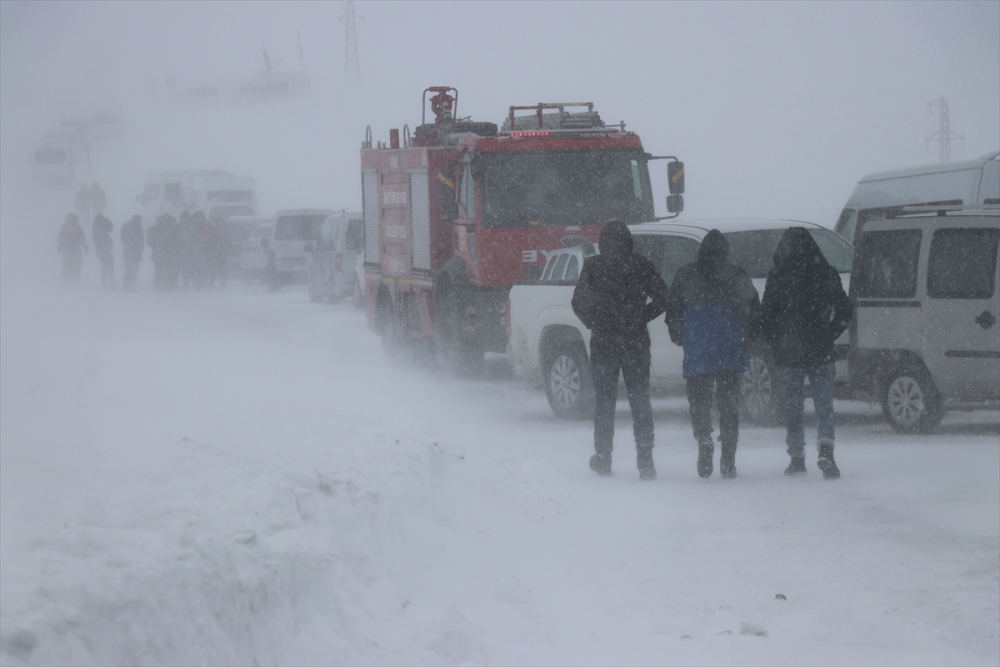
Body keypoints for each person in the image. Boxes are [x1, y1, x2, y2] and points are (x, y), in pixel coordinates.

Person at [571, 220, 669, 479]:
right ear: (629, 241)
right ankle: (645, 459)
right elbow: (664, 298)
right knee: (640, 400)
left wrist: (594, 321)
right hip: (636, 343)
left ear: (602, 243)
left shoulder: (593, 267)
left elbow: (577, 302)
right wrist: (641, 316)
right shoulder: (641, 265)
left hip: (604, 344)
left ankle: (603, 456)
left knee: (604, 402)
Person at [756, 227, 851, 479]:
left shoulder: (777, 276)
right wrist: (831, 332)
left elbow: (767, 317)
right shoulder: (826, 272)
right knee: (824, 406)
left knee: (793, 408)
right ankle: (826, 449)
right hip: (821, 348)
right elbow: (845, 308)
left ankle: (797, 458)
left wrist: (776, 341)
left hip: (789, 354)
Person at [665, 230, 759, 479]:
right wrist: (746, 336)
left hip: (699, 349)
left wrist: (679, 336)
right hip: (729, 348)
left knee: (699, 402)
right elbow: (752, 309)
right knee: (729, 406)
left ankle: (704, 438)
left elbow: (673, 308)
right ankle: (728, 457)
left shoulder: (686, 274)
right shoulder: (736, 274)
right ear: (726, 251)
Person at [147, 214, 179, 291]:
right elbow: (177, 241)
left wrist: (156, 246)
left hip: (159, 253)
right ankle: (168, 286)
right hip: (169, 253)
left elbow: (149, 241)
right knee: (168, 269)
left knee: (158, 269)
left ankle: (158, 286)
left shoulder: (154, 229)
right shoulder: (172, 229)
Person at [57, 213, 89, 283]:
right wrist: (85, 247)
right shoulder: (78, 227)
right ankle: (74, 277)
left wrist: (60, 246)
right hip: (75, 248)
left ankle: (67, 276)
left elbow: (60, 238)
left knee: (68, 262)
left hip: (68, 248)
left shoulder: (65, 227)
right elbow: (82, 238)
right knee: (76, 263)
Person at [92, 214, 116, 290]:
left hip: (101, 250)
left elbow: (110, 229)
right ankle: (111, 285)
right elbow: (111, 228)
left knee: (105, 268)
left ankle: (105, 285)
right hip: (105, 250)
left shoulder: (95, 227)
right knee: (109, 268)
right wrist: (108, 221)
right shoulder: (101, 228)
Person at [120, 214, 144, 291]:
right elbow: (141, 239)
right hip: (135, 250)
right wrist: (140, 247)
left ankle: (126, 285)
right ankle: (131, 285)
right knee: (134, 269)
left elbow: (122, 238)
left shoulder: (126, 225)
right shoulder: (138, 227)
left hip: (128, 250)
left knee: (128, 268)